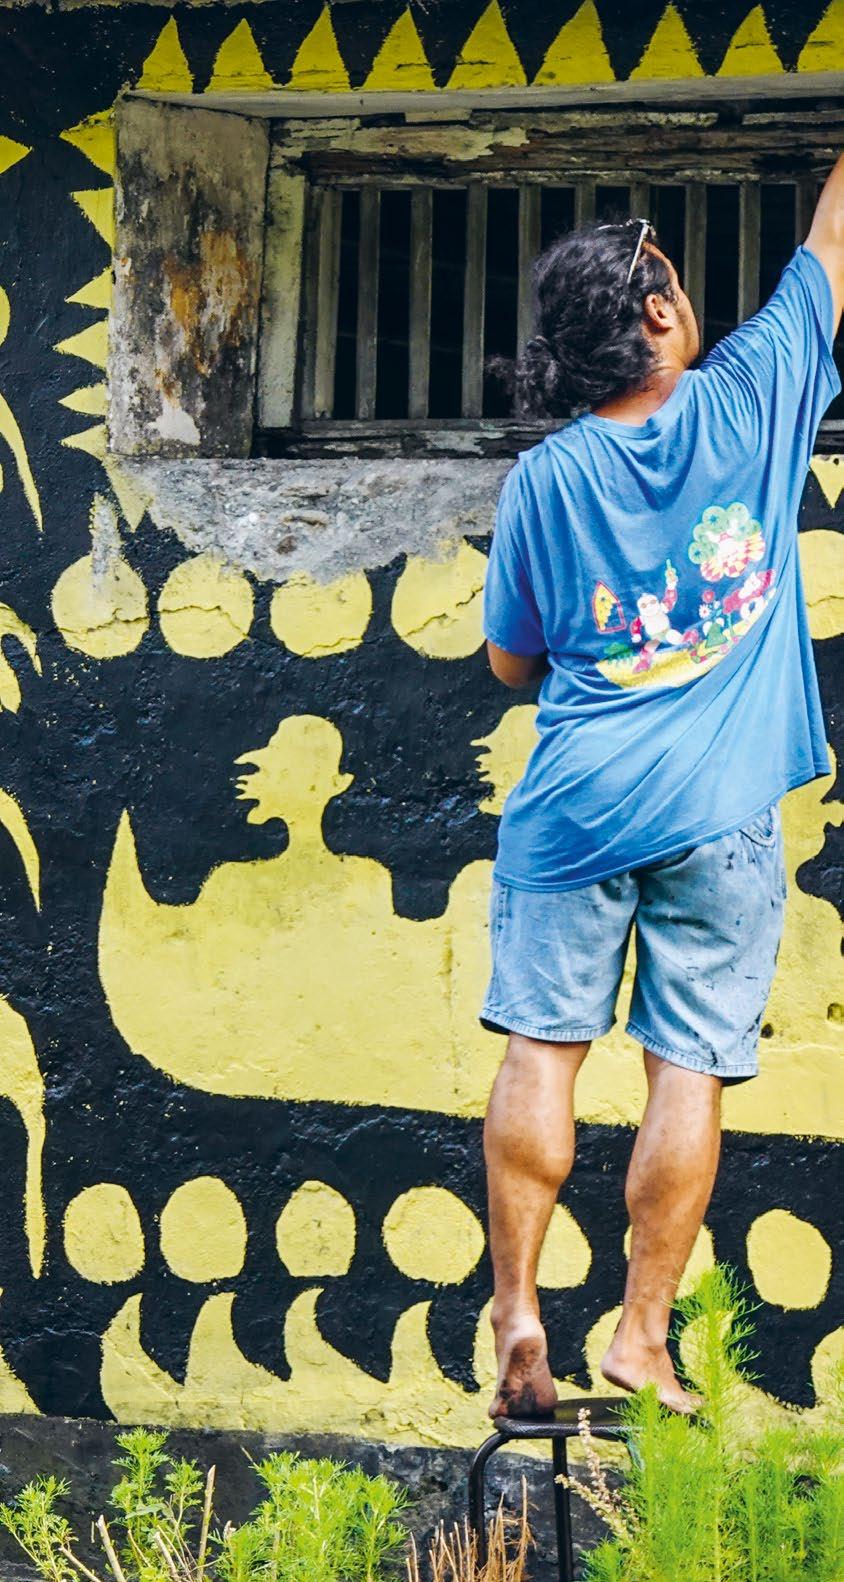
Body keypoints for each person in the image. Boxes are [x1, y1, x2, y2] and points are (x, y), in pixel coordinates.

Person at [481, 157, 843, 1417]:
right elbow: (834, 235)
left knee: (541, 1052)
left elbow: (511, 659)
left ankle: (516, 1313)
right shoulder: (751, 397)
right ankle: (639, 1341)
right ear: (657, 312)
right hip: (719, 816)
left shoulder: (542, 479)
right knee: (685, 1070)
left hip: (573, 808)